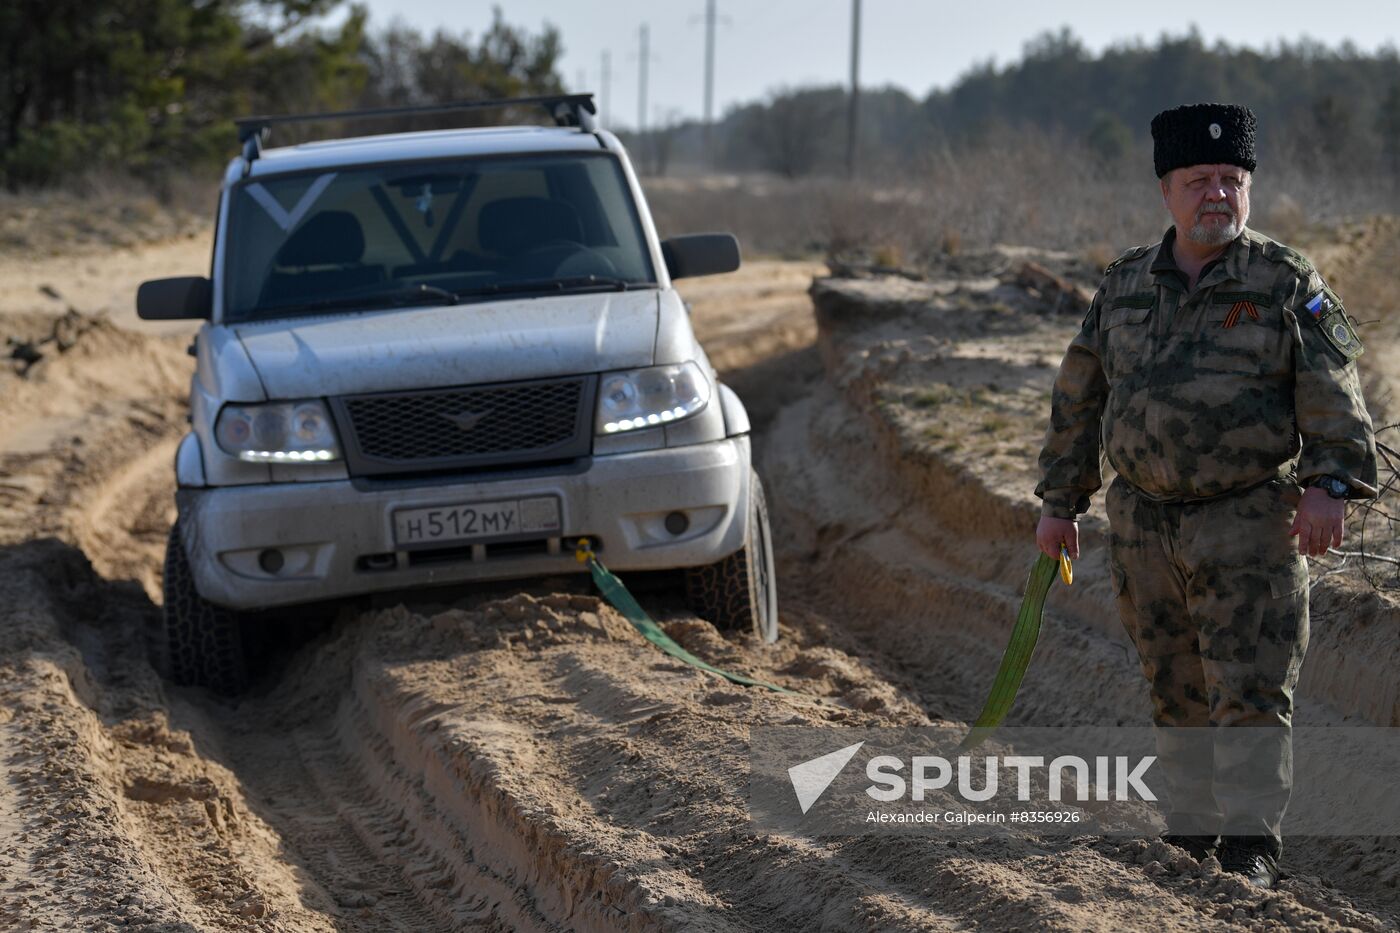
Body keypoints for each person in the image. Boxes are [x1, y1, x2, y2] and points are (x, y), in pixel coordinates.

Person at [1032, 102, 1378, 889]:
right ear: (1167, 191)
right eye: (1199, 180)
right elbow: (1078, 396)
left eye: (1232, 179)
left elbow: (1335, 388)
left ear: (1248, 187)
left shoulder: (1286, 281)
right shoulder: (1124, 284)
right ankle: (1188, 831)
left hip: (1248, 521)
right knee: (1174, 683)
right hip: (1143, 522)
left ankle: (1250, 847)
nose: (1217, 193)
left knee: (1250, 690)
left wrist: (1329, 483)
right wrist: (1060, 501)